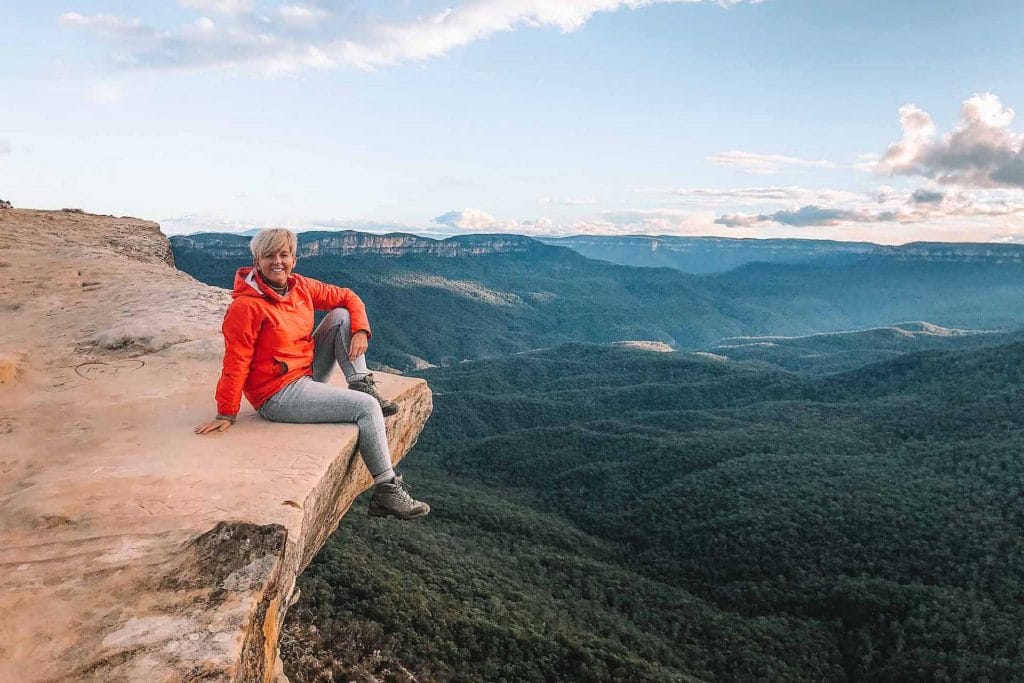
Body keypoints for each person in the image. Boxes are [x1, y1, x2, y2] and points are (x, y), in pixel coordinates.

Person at [193, 228, 429, 520]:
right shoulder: (246, 307)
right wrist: (226, 412)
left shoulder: (299, 286)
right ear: (256, 261)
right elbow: (236, 360)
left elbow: (348, 296)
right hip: (277, 394)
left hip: (305, 373)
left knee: (341, 316)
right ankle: (386, 491)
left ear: (294, 259)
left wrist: (360, 330)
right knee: (367, 410)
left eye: (284, 254)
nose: (277, 262)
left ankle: (361, 384)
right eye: (269, 256)